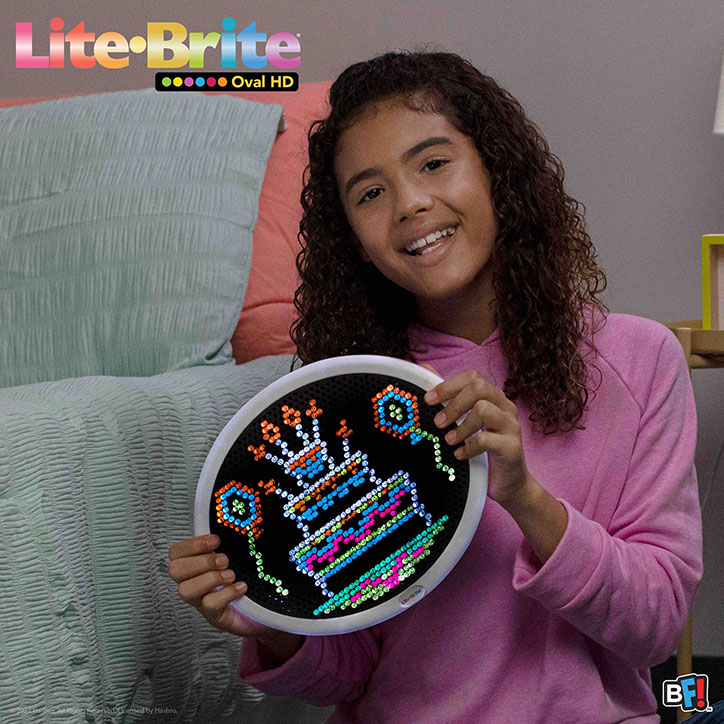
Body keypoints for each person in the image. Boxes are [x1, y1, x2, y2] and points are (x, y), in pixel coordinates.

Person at [168, 51, 708, 723]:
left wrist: (523, 495)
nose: (411, 203)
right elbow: (352, 672)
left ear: (496, 173)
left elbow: (655, 628)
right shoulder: (343, 401)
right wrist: (265, 614)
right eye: (370, 192)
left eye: (432, 163)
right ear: (355, 241)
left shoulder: (638, 357)